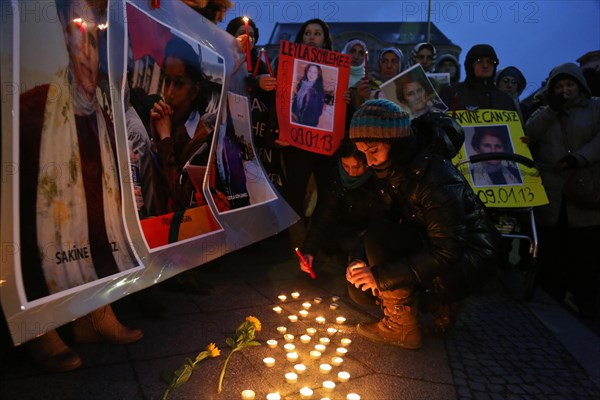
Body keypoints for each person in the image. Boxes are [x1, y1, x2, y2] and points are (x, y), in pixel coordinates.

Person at [19, 0, 143, 372]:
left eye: (95, 40)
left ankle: (93, 313)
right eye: (79, 36)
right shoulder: (33, 109)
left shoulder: (100, 115)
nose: (88, 52)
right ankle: (37, 323)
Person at [346, 99, 501, 349]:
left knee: (379, 258)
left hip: (467, 256)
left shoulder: (435, 174)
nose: (369, 161)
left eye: (373, 150)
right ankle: (433, 305)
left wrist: (380, 276)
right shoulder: (388, 169)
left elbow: (447, 250)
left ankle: (404, 326)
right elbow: (378, 220)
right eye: (363, 152)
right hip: (428, 240)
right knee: (359, 288)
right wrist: (358, 260)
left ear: (394, 143)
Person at [525, 62, 600, 318]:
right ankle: (551, 303)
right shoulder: (545, 111)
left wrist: (580, 158)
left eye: (569, 85)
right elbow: (527, 135)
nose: (565, 90)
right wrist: (550, 110)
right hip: (553, 193)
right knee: (553, 252)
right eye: (559, 86)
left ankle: (586, 304)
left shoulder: (596, 107)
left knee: (585, 253)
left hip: (585, 191)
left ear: (579, 86)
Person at [298, 140, 383, 274]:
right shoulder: (335, 179)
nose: (351, 173)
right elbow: (322, 217)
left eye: (356, 167)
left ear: (367, 163)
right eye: (345, 166)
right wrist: (309, 251)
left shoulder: (377, 181)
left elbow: (380, 219)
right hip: (341, 234)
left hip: (368, 234)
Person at [150, 35, 213, 211]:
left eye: (178, 84)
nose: (169, 93)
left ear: (194, 91)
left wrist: (164, 140)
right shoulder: (169, 125)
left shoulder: (201, 139)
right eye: (167, 81)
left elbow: (183, 203)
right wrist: (156, 136)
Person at [440, 44, 517, 113]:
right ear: (471, 66)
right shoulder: (451, 93)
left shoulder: (506, 100)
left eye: (490, 61)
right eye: (480, 61)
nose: (485, 65)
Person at [291, 63, 326, 127]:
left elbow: (318, 113)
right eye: (310, 71)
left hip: (307, 125)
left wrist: (303, 123)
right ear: (306, 72)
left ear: (318, 75)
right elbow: (296, 102)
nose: (311, 74)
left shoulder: (319, 91)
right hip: (295, 120)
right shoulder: (301, 85)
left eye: (314, 72)